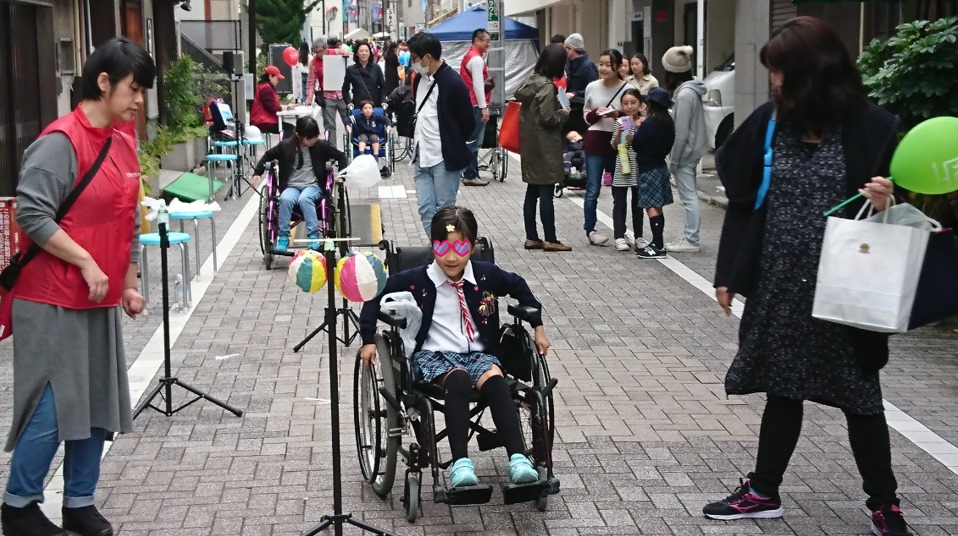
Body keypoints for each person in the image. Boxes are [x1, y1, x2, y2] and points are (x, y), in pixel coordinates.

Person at [706, 16, 909, 536]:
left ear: (811, 71)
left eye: (780, 71)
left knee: (861, 395)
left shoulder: (870, 127)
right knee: (782, 387)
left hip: (847, 288)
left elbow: (901, 215)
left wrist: (888, 201)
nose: (773, 81)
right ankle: (762, 491)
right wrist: (729, 271)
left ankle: (884, 504)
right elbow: (744, 200)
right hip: (781, 282)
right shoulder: (773, 121)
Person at [0, 36, 154, 536]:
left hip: (98, 298)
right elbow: (31, 214)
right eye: (134, 89)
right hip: (49, 299)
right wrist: (87, 261)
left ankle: (79, 502)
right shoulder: (59, 142)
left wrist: (128, 284)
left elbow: (127, 219)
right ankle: (19, 506)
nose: (139, 102)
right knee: (53, 404)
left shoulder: (123, 141)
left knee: (97, 404)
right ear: (103, 82)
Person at [358, 206, 548, 488]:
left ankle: (518, 459)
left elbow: (518, 286)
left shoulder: (485, 275)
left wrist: (538, 327)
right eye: (442, 247)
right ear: (432, 245)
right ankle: (461, 464)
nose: (450, 257)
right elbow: (375, 293)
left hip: (479, 354)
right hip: (434, 356)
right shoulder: (418, 279)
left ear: (472, 246)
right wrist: (369, 338)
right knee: (458, 379)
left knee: (495, 381)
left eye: (460, 247)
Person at [406, 32, 476, 236]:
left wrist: (452, 140)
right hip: (421, 156)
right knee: (426, 208)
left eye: (414, 58)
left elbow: (468, 122)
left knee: (445, 211)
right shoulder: (419, 80)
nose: (413, 63)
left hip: (443, 158)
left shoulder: (452, 82)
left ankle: (446, 254)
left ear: (427, 57)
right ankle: (438, 250)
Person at [251, 116, 347, 252]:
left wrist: (342, 176)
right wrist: (257, 173)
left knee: (305, 199)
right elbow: (268, 155)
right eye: (310, 137)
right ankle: (283, 238)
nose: (314, 139)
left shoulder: (321, 145)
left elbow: (341, 156)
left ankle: (313, 237)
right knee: (284, 199)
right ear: (298, 135)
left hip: (313, 185)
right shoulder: (285, 146)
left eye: (316, 136)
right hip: (292, 186)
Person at [515, 43, 572, 252]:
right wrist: (564, 113)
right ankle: (551, 239)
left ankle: (532, 237)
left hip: (530, 144)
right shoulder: (548, 86)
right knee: (546, 192)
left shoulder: (531, 80)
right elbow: (548, 117)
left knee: (532, 191)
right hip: (546, 146)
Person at [662, 45, 707, 253]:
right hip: (693, 150)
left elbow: (680, 132)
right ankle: (690, 237)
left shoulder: (684, 95)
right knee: (690, 196)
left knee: (689, 197)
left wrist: (674, 161)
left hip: (686, 153)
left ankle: (691, 239)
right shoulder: (691, 90)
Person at [581, 49, 628, 246]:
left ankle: (620, 232)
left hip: (619, 143)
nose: (603, 68)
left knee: (620, 189)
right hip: (595, 140)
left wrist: (617, 113)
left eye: (608, 64)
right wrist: (595, 112)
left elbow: (634, 114)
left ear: (617, 67)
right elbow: (585, 115)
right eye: (600, 64)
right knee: (592, 188)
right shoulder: (592, 86)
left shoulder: (627, 88)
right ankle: (590, 230)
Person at [631, 88, 675, 259]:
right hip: (660, 164)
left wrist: (635, 134)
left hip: (648, 167)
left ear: (650, 105)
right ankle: (658, 242)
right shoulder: (667, 121)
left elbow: (637, 144)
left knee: (651, 206)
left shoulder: (650, 123)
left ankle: (658, 245)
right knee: (658, 206)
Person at [609, 88, 642, 252]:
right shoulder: (620, 122)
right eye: (625, 103)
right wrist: (619, 134)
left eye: (633, 102)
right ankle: (619, 236)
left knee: (638, 204)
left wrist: (637, 136)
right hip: (622, 165)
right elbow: (614, 146)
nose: (629, 106)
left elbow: (648, 143)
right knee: (619, 203)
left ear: (640, 104)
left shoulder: (643, 122)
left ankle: (639, 237)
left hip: (639, 166)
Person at [459, 29, 493, 187]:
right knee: (475, 142)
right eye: (486, 40)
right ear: (477, 40)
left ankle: (470, 172)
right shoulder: (477, 60)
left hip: (468, 103)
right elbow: (478, 86)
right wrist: (484, 108)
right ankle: (471, 174)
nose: (488, 44)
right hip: (475, 104)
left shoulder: (469, 55)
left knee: (471, 140)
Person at [306, 36, 351, 146]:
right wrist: (309, 98)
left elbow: (351, 56)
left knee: (349, 123)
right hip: (327, 96)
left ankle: (352, 147)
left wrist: (346, 55)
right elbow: (311, 82)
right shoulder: (313, 62)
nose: (318, 54)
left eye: (320, 51)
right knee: (330, 126)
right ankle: (332, 151)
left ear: (326, 48)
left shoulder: (336, 52)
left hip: (343, 94)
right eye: (316, 52)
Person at [347, 100, 393, 167]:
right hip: (362, 134)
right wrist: (347, 125)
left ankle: (376, 156)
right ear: (361, 110)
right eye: (365, 108)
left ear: (373, 110)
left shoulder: (376, 117)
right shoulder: (358, 117)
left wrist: (389, 125)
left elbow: (386, 120)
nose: (368, 110)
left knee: (375, 138)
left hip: (373, 133)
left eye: (370, 108)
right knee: (362, 139)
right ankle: (361, 155)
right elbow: (348, 119)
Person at [343, 42, 386, 109]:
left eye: (366, 51)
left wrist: (383, 101)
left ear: (369, 53)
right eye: (361, 51)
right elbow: (345, 88)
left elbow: (383, 86)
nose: (364, 53)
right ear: (357, 53)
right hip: (358, 105)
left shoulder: (376, 68)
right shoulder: (351, 69)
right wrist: (349, 103)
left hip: (374, 104)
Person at [250, 65, 284, 135]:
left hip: (262, 121)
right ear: (270, 77)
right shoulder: (266, 88)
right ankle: (285, 145)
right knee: (290, 129)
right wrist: (286, 107)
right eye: (277, 78)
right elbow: (272, 108)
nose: (278, 81)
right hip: (264, 122)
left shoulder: (264, 86)